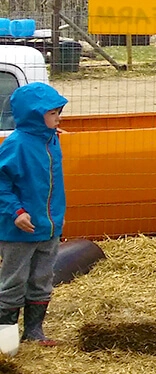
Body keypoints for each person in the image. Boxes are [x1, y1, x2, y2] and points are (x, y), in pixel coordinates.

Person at [0, 82, 68, 347]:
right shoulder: (16, 145)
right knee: (13, 283)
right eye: (52, 113)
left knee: (41, 280)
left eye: (58, 112)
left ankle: (34, 333)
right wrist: (16, 212)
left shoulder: (50, 139)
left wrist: (57, 221)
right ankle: (6, 342)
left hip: (47, 227)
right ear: (33, 114)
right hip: (19, 230)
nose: (58, 117)